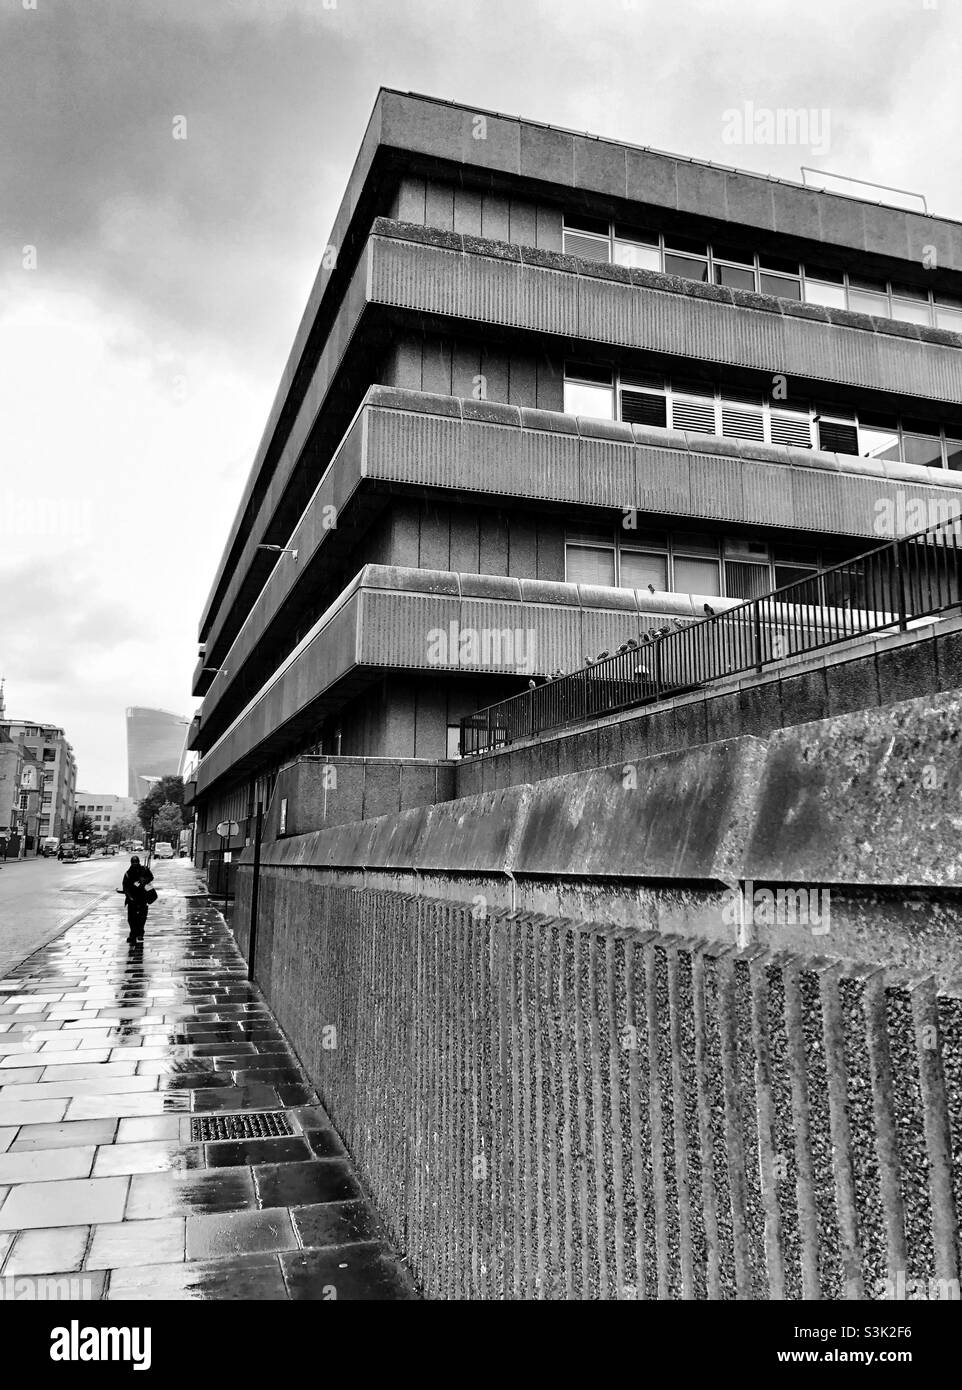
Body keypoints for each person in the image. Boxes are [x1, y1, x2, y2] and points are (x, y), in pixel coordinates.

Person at [119, 855, 154, 942]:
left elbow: (151, 877)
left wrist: (144, 880)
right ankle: (133, 934)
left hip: (142, 897)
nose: (135, 864)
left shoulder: (144, 870)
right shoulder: (128, 873)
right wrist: (129, 896)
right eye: (133, 863)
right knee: (131, 918)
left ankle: (140, 933)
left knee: (142, 917)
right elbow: (125, 886)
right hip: (132, 898)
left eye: (136, 862)